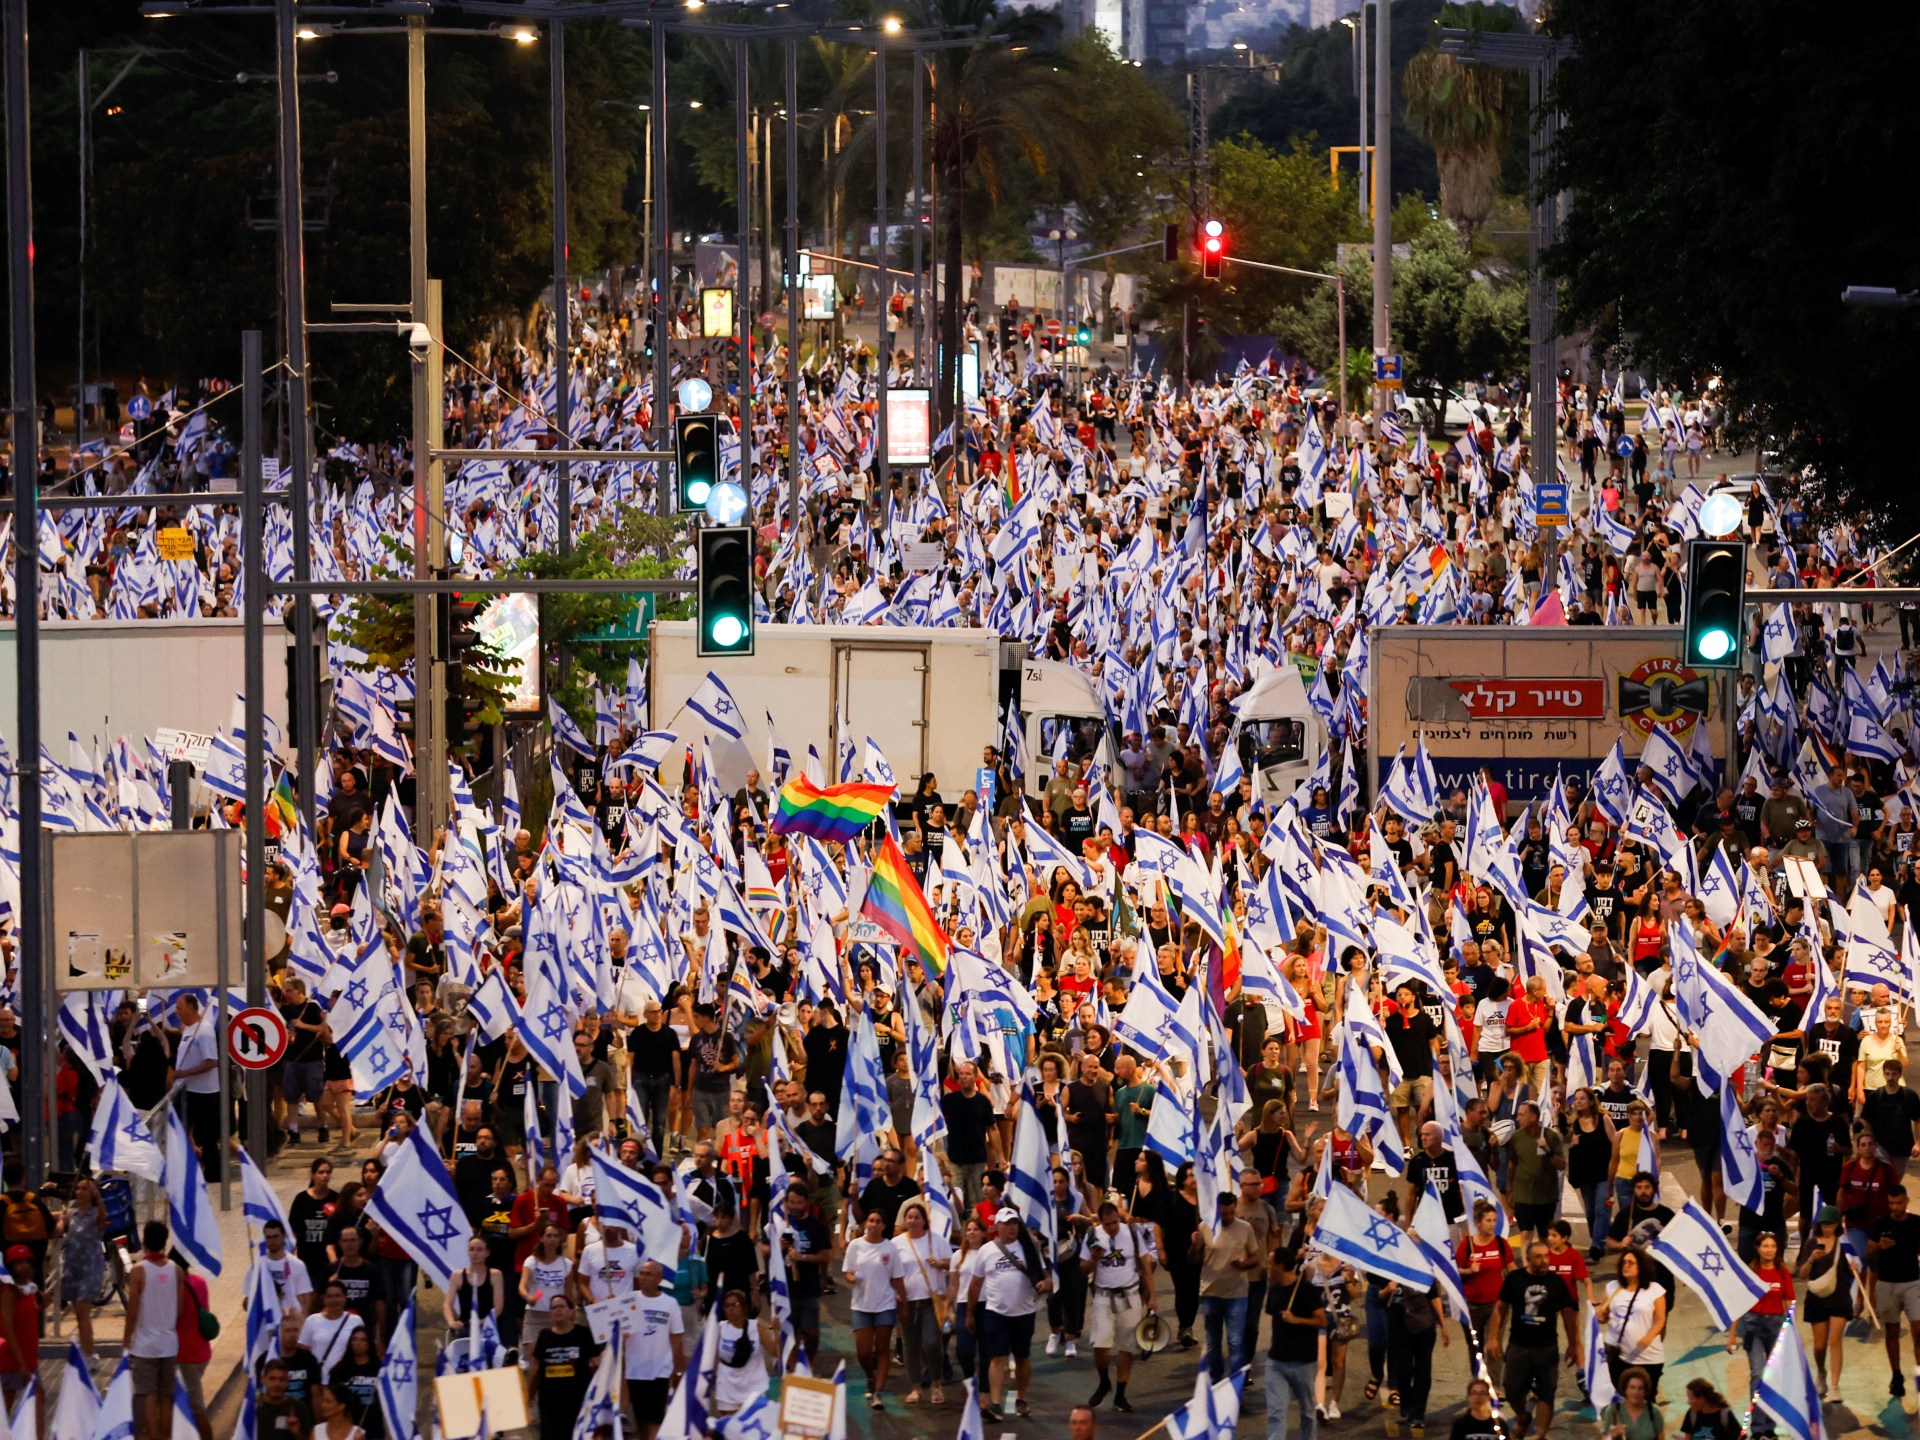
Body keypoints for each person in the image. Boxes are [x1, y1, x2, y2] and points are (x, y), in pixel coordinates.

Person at [966, 1208, 1052, 1423]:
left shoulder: (1029, 1248)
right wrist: (969, 1312)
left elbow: (1046, 1276)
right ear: (998, 1227)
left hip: (1023, 1312)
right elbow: (975, 1283)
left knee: (1022, 1357)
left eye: (1015, 1223)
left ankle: (1021, 1398)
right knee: (997, 1357)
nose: (1012, 1227)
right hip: (996, 1312)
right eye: (1008, 1223)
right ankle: (995, 1403)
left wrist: (1047, 1283)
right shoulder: (986, 1251)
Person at [1486, 1240, 1577, 1440]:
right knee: (1511, 1389)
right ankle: (1523, 1415)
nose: (1545, 1261)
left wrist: (1573, 1344)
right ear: (1528, 1258)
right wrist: (1493, 1338)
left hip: (1547, 1347)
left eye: (1547, 1256)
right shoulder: (1515, 1279)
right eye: (1539, 1257)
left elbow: (1568, 1314)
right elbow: (1500, 1308)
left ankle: (1540, 1434)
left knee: (1546, 1392)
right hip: (1518, 1345)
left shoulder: (1556, 1282)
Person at [1082, 1199, 1153, 1413]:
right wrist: (1094, 1260)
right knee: (1100, 1344)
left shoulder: (1131, 1233)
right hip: (1104, 1296)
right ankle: (1104, 1381)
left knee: (1127, 1346)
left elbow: (1146, 1262)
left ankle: (1121, 1394)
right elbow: (1083, 1269)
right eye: (1107, 1224)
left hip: (1130, 1294)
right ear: (1100, 1221)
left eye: (1114, 1222)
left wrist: (1151, 1294)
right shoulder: (1093, 1236)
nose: (1112, 1227)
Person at [126, 1220, 185, 1440]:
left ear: (144, 1242)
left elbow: (132, 1311)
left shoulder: (138, 1270)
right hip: (169, 1344)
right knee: (166, 1397)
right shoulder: (176, 1270)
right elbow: (180, 1309)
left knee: (148, 1395)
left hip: (144, 1345)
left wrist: (126, 1340)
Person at [1194, 1191, 1262, 1383]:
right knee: (1213, 1343)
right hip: (1210, 1292)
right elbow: (1194, 1260)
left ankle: (1235, 1385)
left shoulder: (1245, 1228)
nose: (1229, 1217)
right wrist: (1195, 1246)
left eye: (1232, 1213)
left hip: (1237, 1294)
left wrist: (1245, 1263)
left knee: (1235, 1341)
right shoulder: (1204, 1227)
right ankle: (1216, 1381)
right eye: (1224, 1214)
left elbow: (1256, 1257)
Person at [844, 1209, 908, 1409]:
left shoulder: (890, 1248)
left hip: (885, 1304)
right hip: (861, 1305)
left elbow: (897, 1278)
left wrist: (904, 1303)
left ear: (883, 1226)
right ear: (865, 1224)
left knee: (882, 1349)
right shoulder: (855, 1246)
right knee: (863, 1352)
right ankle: (870, 1376)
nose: (873, 1224)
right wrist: (852, 1278)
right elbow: (848, 1271)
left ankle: (878, 1392)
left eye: (878, 1221)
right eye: (870, 1220)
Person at [1263, 1243, 1324, 1440]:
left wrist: (1297, 1320)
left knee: (1307, 1411)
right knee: (1276, 1413)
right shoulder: (1274, 1290)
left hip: (1303, 1362)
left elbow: (1322, 1321)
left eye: (1270, 1263)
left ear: (1280, 1266)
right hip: (1276, 1361)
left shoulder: (1306, 1290)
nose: (1267, 1267)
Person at [893, 1199, 951, 1405]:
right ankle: (915, 1387)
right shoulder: (897, 1244)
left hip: (930, 1302)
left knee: (932, 1343)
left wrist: (940, 1262)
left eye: (917, 1217)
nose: (913, 1220)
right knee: (910, 1346)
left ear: (925, 1221)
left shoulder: (936, 1240)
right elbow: (892, 1272)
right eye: (910, 1217)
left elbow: (952, 1263)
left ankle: (936, 1383)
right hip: (907, 1302)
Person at [1735, 1232, 1792, 1438]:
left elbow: (1789, 1304)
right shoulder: (1750, 1273)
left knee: (1774, 1378)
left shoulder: (1782, 1273)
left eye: (1773, 1246)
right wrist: (1733, 1334)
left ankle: (1770, 1426)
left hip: (1776, 1327)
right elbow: (1739, 1305)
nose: (1769, 1249)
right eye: (1765, 1246)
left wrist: (1790, 1332)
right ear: (1757, 1249)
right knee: (1758, 1375)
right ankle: (1758, 1428)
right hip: (1754, 1328)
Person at [1799, 1205, 1854, 1403]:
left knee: (1835, 1341)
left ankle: (1835, 1386)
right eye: (1823, 1225)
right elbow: (1802, 1274)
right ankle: (1821, 1373)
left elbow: (1854, 1269)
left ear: (1837, 1225)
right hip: (1817, 1298)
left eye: (1830, 1225)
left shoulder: (1844, 1243)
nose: (1826, 1229)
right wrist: (1812, 1259)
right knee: (1820, 1346)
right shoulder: (1811, 1243)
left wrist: (1854, 1265)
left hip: (1839, 1297)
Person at [530, 1294, 602, 1440]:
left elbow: (597, 1363)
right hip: (550, 1402)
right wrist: (527, 1396)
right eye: (554, 1308)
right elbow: (535, 1368)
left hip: (577, 1401)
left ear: (571, 1311)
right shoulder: (544, 1335)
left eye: (561, 1306)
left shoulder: (583, 1333)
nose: (557, 1310)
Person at [626, 1261, 684, 1440]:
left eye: (648, 1274)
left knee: (656, 1421)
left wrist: (678, 1370)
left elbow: (677, 1338)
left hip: (660, 1371)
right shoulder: (628, 1300)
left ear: (659, 1279)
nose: (643, 1277)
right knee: (641, 1422)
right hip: (634, 1371)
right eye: (641, 1273)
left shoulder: (670, 1303)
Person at [1600, 1249, 1667, 1399]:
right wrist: (1601, 1317)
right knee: (1621, 1399)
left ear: (1641, 1266)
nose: (1626, 1266)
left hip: (1648, 1357)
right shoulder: (1612, 1287)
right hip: (1618, 1356)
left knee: (1646, 1400)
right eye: (1624, 1262)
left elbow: (1661, 1319)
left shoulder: (1655, 1290)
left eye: (1631, 1263)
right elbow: (1605, 1317)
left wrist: (1649, 1337)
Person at [57, 1174, 109, 1357]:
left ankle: (89, 1355)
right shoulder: (71, 1214)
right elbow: (58, 1226)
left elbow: (103, 1219)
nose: (80, 1192)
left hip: (90, 1269)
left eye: (84, 1189)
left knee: (82, 1310)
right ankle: (88, 1352)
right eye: (78, 1188)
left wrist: (99, 1197)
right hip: (73, 1268)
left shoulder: (96, 1213)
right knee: (79, 1315)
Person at [299, 1282, 366, 1385]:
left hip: (346, 1381)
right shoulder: (312, 1320)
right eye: (330, 1296)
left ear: (345, 1298)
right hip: (318, 1381)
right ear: (324, 1299)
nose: (334, 1300)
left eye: (338, 1296)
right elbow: (303, 1352)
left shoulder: (356, 1320)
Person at [443, 1235, 504, 1343]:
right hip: (465, 1327)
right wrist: (452, 1322)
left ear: (487, 1253)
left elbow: (498, 1308)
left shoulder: (495, 1275)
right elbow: (447, 1304)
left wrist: (480, 1322)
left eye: (479, 1250)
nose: (475, 1253)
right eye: (471, 1249)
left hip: (488, 1328)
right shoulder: (457, 1275)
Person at [1596, 1367, 1663, 1440]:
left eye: (1640, 1388)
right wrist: (1613, 1434)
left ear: (1645, 1391)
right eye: (1632, 1387)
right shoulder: (1613, 1411)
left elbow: (1661, 1438)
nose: (1636, 1392)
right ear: (1625, 1390)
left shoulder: (1653, 1411)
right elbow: (1604, 1438)